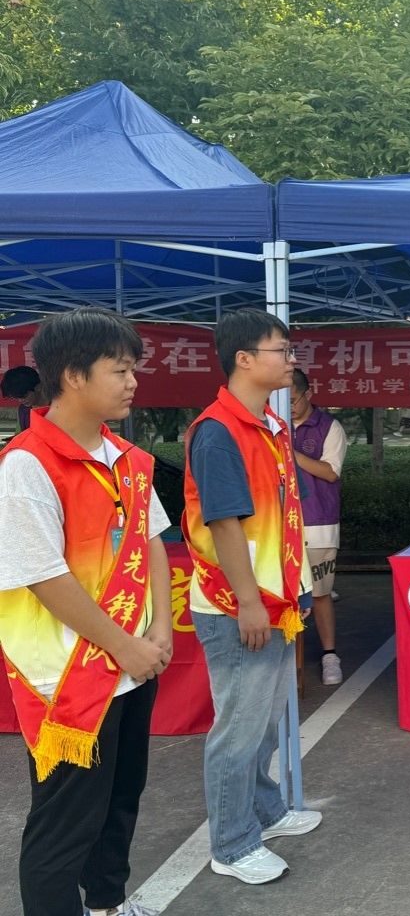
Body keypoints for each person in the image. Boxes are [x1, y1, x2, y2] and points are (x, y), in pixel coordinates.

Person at [0, 308, 172, 916]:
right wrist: (125, 646)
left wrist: (159, 629)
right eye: (119, 370)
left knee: (119, 804)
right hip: (70, 678)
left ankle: (107, 904)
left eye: (133, 370)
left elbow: (151, 540)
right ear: (73, 375)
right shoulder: (27, 465)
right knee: (64, 825)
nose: (132, 382)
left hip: (134, 664)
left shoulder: (127, 458)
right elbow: (45, 577)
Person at [183, 308, 320, 886]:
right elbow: (225, 523)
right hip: (239, 604)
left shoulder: (268, 424)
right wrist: (248, 602)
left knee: (265, 721)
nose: (291, 360)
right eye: (280, 350)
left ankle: (265, 809)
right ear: (244, 359)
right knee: (238, 730)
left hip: (275, 599)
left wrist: (297, 589)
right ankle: (233, 844)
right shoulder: (218, 431)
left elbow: (280, 517)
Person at [290, 369, 349, 686]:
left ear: (308, 394)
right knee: (282, 594)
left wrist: (292, 455)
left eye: (293, 400)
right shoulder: (271, 425)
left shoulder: (329, 427)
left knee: (321, 593)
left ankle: (330, 655)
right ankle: (285, 657)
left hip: (319, 525)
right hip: (278, 525)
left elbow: (330, 472)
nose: (288, 407)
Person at [2, 364, 42, 433]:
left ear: (38, 387)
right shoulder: (23, 410)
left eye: (24, 396)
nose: (20, 400)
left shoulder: (56, 407)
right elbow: (19, 435)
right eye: (16, 397)